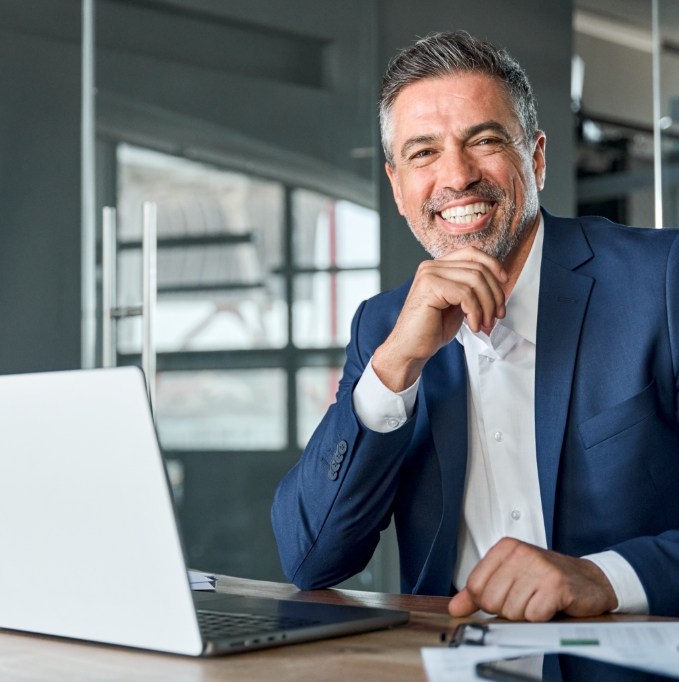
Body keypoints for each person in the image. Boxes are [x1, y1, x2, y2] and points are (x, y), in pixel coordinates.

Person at [271, 30, 679, 621]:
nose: (456, 176)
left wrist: (605, 578)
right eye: (423, 153)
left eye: (484, 140)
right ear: (398, 187)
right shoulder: (382, 326)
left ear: (535, 157)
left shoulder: (661, 279)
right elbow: (311, 558)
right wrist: (394, 369)